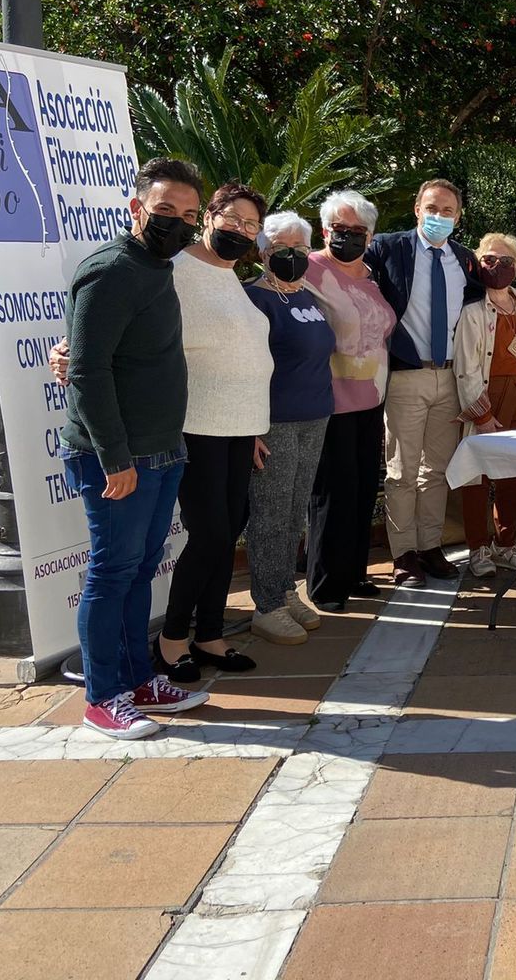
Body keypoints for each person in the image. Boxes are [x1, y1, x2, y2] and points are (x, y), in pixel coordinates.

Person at [61, 158, 209, 738]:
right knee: (111, 572)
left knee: (141, 569)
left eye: (189, 215)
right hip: (119, 458)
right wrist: (115, 458)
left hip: (162, 449)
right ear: (137, 208)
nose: (178, 224)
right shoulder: (112, 270)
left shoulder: (155, 267)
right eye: (166, 211)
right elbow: (88, 370)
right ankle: (104, 696)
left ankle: (139, 678)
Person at [154, 182, 274, 681]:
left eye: (251, 226)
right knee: (210, 535)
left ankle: (210, 634)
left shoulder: (231, 278)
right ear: (209, 215)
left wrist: (252, 430)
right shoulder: (176, 271)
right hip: (196, 426)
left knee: (226, 537)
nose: (241, 231)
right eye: (234, 220)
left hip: (238, 429)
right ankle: (172, 636)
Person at [363, 178, 483, 588]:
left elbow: (488, 299)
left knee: (436, 471)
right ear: (417, 209)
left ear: (458, 217)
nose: (439, 217)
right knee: (401, 470)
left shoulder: (464, 259)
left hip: (450, 377)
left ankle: (431, 546)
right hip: (407, 376)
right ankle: (403, 554)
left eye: (447, 211)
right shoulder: (388, 247)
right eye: (432, 208)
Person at [243, 212, 337, 646]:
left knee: (295, 510)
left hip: (313, 417)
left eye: (301, 248)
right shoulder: (253, 300)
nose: (293, 256)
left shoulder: (308, 298)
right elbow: (244, 370)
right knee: (270, 513)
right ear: (264, 252)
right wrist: (252, 428)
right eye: (283, 249)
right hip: (273, 422)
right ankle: (265, 605)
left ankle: (284, 589)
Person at [305, 190, 398, 612]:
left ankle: (355, 572)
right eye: (340, 229)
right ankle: (325, 585)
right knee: (332, 493)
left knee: (362, 490)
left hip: (371, 399)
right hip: (330, 400)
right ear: (325, 230)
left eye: (358, 231)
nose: (349, 237)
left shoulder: (372, 274)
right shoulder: (308, 268)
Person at [452, 233, 516, 578]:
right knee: (476, 477)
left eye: (506, 261)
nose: (498, 266)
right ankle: (478, 548)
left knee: (513, 475)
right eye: (490, 260)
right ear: (479, 265)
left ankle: (506, 542)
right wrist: (481, 415)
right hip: (486, 402)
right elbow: (466, 369)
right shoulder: (472, 311)